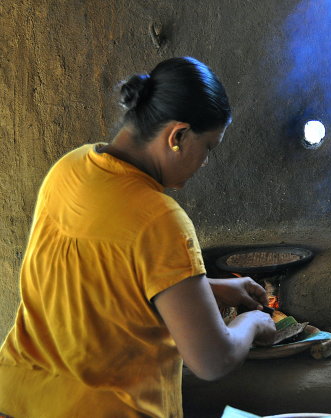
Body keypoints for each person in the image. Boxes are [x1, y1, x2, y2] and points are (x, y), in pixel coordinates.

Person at [0, 56, 276, 417]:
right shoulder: (160, 219)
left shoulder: (69, 168)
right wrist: (253, 323)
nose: (205, 162)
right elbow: (213, 359)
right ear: (177, 136)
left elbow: (101, 279)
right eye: (208, 147)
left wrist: (211, 288)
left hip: (16, 399)